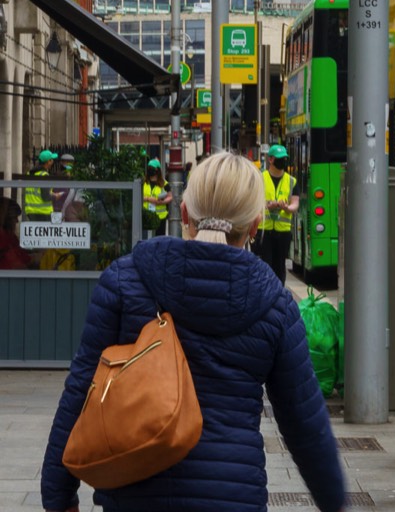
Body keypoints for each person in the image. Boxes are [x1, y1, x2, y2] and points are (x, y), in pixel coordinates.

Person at [40, 151, 346, 512]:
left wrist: (57, 494)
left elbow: (81, 389)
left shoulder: (125, 280)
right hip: (234, 499)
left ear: (184, 215)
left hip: (134, 495)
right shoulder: (276, 304)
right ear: (256, 225)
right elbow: (305, 426)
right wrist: (335, 503)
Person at [255, 144, 298, 283]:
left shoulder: (291, 181)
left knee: (280, 268)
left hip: (283, 232)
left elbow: (295, 204)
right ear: (270, 159)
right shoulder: (260, 178)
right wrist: (268, 205)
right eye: (279, 158)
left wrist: (287, 208)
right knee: (264, 266)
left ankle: (279, 297)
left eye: (285, 158)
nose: (283, 161)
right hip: (263, 230)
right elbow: (253, 203)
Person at [24, 150, 61, 222]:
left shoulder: (29, 174)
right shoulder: (44, 175)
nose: (53, 161)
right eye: (51, 160)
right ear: (48, 162)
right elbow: (46, 197)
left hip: (30, 211)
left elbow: (35, 191)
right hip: (43, 212)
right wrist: (55, 196)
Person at [0, 198, 32, 270]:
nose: (17, 221)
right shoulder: (3, 239)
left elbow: (24, 258)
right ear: (7, 219)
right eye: (15, 217)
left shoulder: (11, 237)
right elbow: (18, 266)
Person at [142, 159, 171, 237]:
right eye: (149, 168)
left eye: (152, 168)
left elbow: (170, 197)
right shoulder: (143, 183)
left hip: (160, 217)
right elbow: (138, 196)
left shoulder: (164, 184)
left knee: (159, 239)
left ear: (158, 170)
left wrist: (162, 202)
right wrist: (148, 199)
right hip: (146, 216)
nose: (150, 170)